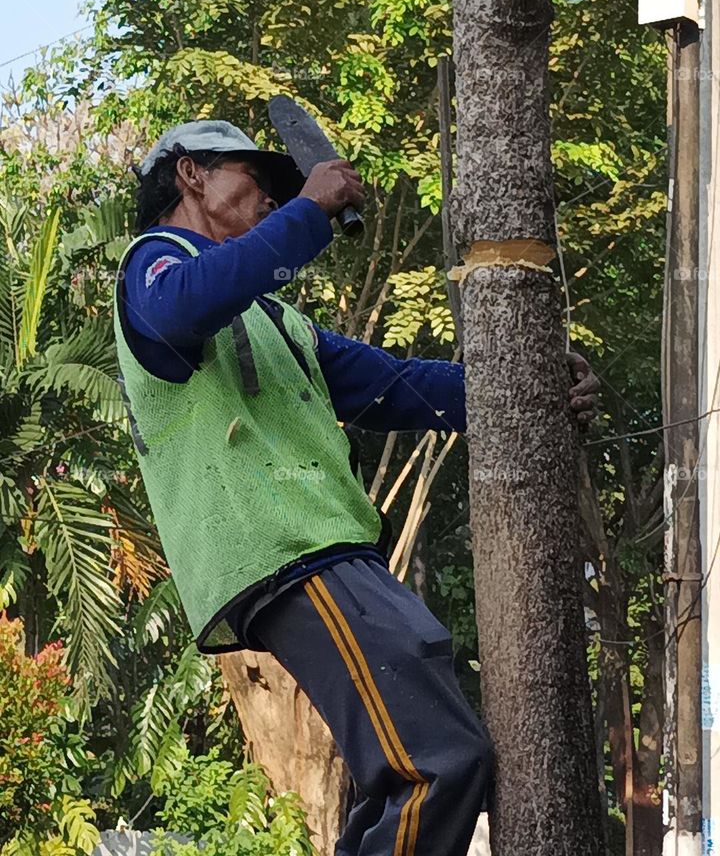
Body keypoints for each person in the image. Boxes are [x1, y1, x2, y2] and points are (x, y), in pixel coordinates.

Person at [114, 118, 599, 856]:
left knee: (430, 756)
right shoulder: (156, 266)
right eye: (258, 181)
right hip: (282, 552)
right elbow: (185, 306)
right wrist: (311, 211)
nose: (275, 200)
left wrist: (531, 386)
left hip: (330, 552)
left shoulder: (276, 321)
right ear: (190, 175)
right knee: (434, 764)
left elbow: (400, 387)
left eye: (285, 194)